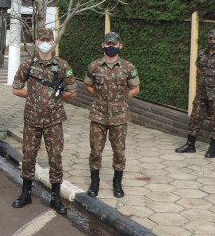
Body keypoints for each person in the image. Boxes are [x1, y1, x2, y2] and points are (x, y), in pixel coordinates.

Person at [11, 28, 77, 215]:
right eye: (42, 39)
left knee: (55, 157)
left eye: (49, 39)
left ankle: (55, 197)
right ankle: (26, 193)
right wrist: (33, 96)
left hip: (54, 120)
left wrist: (55, 97)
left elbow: (73, 91)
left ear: (53, 42)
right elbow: (16, 88)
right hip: (32, 118)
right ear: (37, 42)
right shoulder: (27, 65)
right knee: (28, 156)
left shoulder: (63, 66)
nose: (46, 42)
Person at [83, 32, 140, 199]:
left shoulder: (128, 67)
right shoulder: (94, 66)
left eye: (114, 45)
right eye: (108, 44)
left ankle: (117, 183)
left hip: (119, 116)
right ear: (103, 45)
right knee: (95, 150)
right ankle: (95, 183)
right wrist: (99, 98)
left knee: (119, 152)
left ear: (120, 46)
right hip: (98, 115)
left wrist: (121, 100)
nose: (111, 47)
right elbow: (87, 84)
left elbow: (135, 88)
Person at [176, 29, 215, 158]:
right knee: (195, 117)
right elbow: (199, 69)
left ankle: (213, 147)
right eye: (210, 39)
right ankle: (190, 144)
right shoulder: (202, 53)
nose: (212, 41)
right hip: (202, 92)